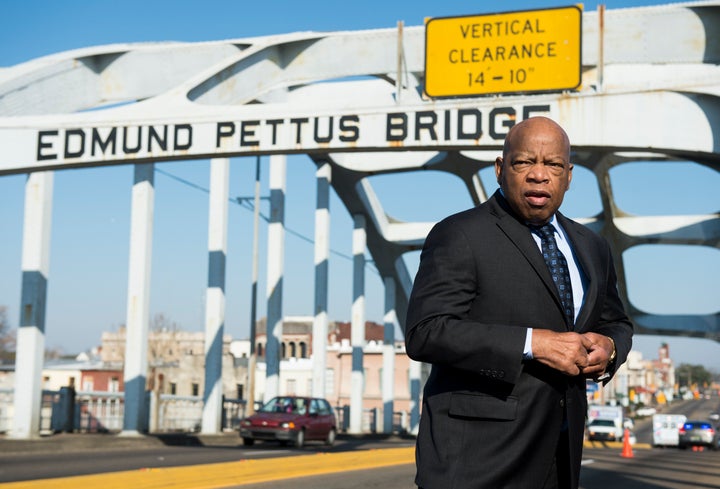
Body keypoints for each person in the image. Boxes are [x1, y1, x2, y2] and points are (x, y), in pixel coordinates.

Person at [404, 116, 633, 489]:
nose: (538, 175)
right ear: (500, 169)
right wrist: (533, 344)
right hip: (476, 464)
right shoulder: (460, 234)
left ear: (569, 175)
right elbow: (425, 332)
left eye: (553, 164)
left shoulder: (592, 246)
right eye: (524, 162)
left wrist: (609, 350)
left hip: (561, 455)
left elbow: (616, 322)